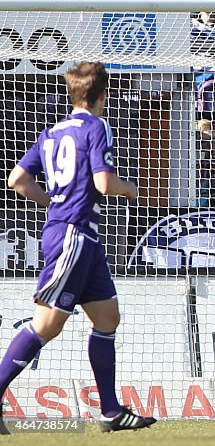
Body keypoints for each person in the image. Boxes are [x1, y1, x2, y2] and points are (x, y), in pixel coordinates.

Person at [1, 62, 156, 433]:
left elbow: (17, 179)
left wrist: (52, 202)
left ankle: (111, 411)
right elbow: (103, 182)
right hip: (73, 235)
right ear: (103, 94)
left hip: (82, 237)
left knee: (107, 318)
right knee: (45, 325)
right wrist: (130, 188)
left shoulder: (51, 132)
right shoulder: (97, 126)